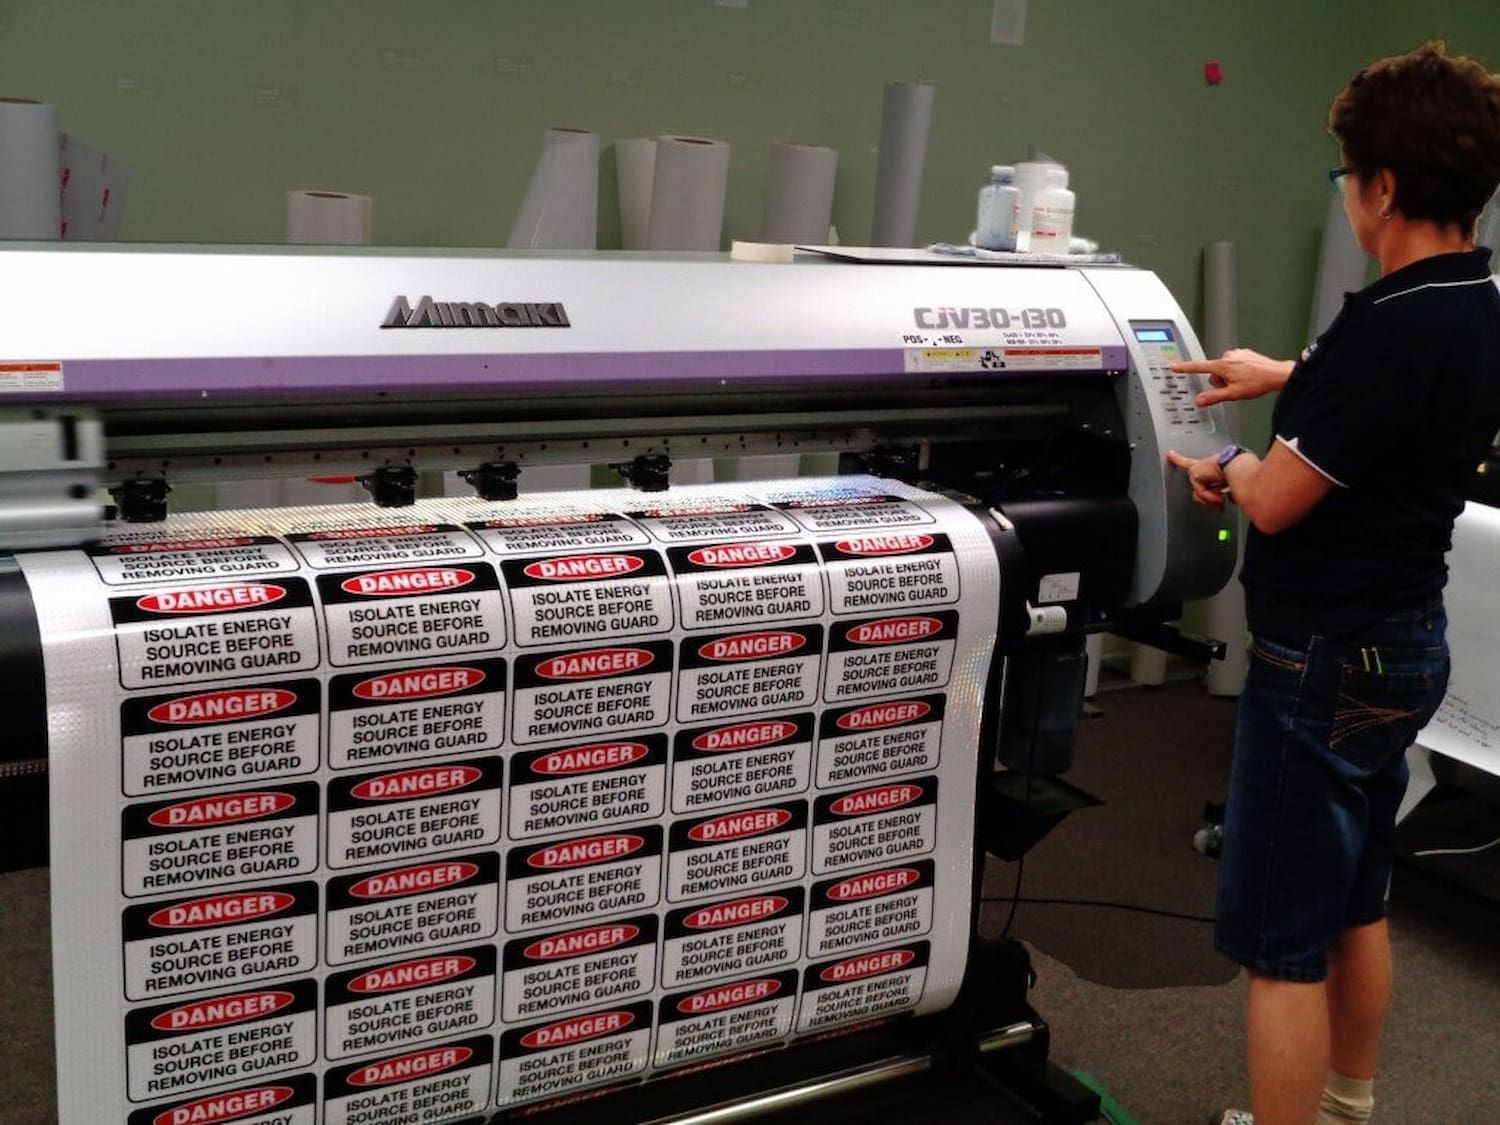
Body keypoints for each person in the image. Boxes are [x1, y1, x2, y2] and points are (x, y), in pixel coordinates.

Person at [1165, 43, 1500, 1125]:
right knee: (1358, 898)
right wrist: (1287, 375)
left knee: (1279, 944)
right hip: (1405, 646)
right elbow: (1395, 403)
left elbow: (1272, 502)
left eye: (1349, 175)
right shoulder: (1475, 303)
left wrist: (1225, 463)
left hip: (1318, 663)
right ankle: (1348, 1106)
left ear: (1384, 189)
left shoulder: (1383, 328)